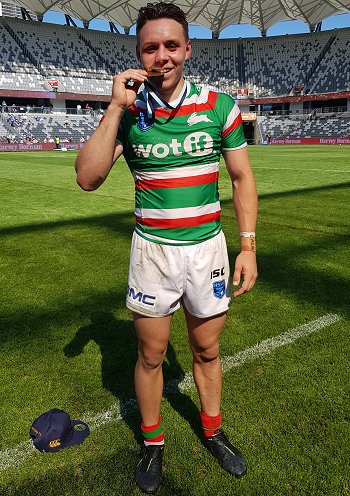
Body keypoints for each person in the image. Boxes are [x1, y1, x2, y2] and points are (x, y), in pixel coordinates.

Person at [75, 2, 258, 493]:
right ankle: (153, 444)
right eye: (150, 48)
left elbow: (241, 178)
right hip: (153, 253)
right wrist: (114, 108)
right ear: (139, 54)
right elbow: (88, 178)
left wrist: (248, 246)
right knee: (152, 355)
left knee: (206, 348)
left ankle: (213, 431)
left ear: (188, 50)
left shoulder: (220, 105)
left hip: (207, 251)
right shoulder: (130, 113)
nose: (161, 56)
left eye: (171, 46)